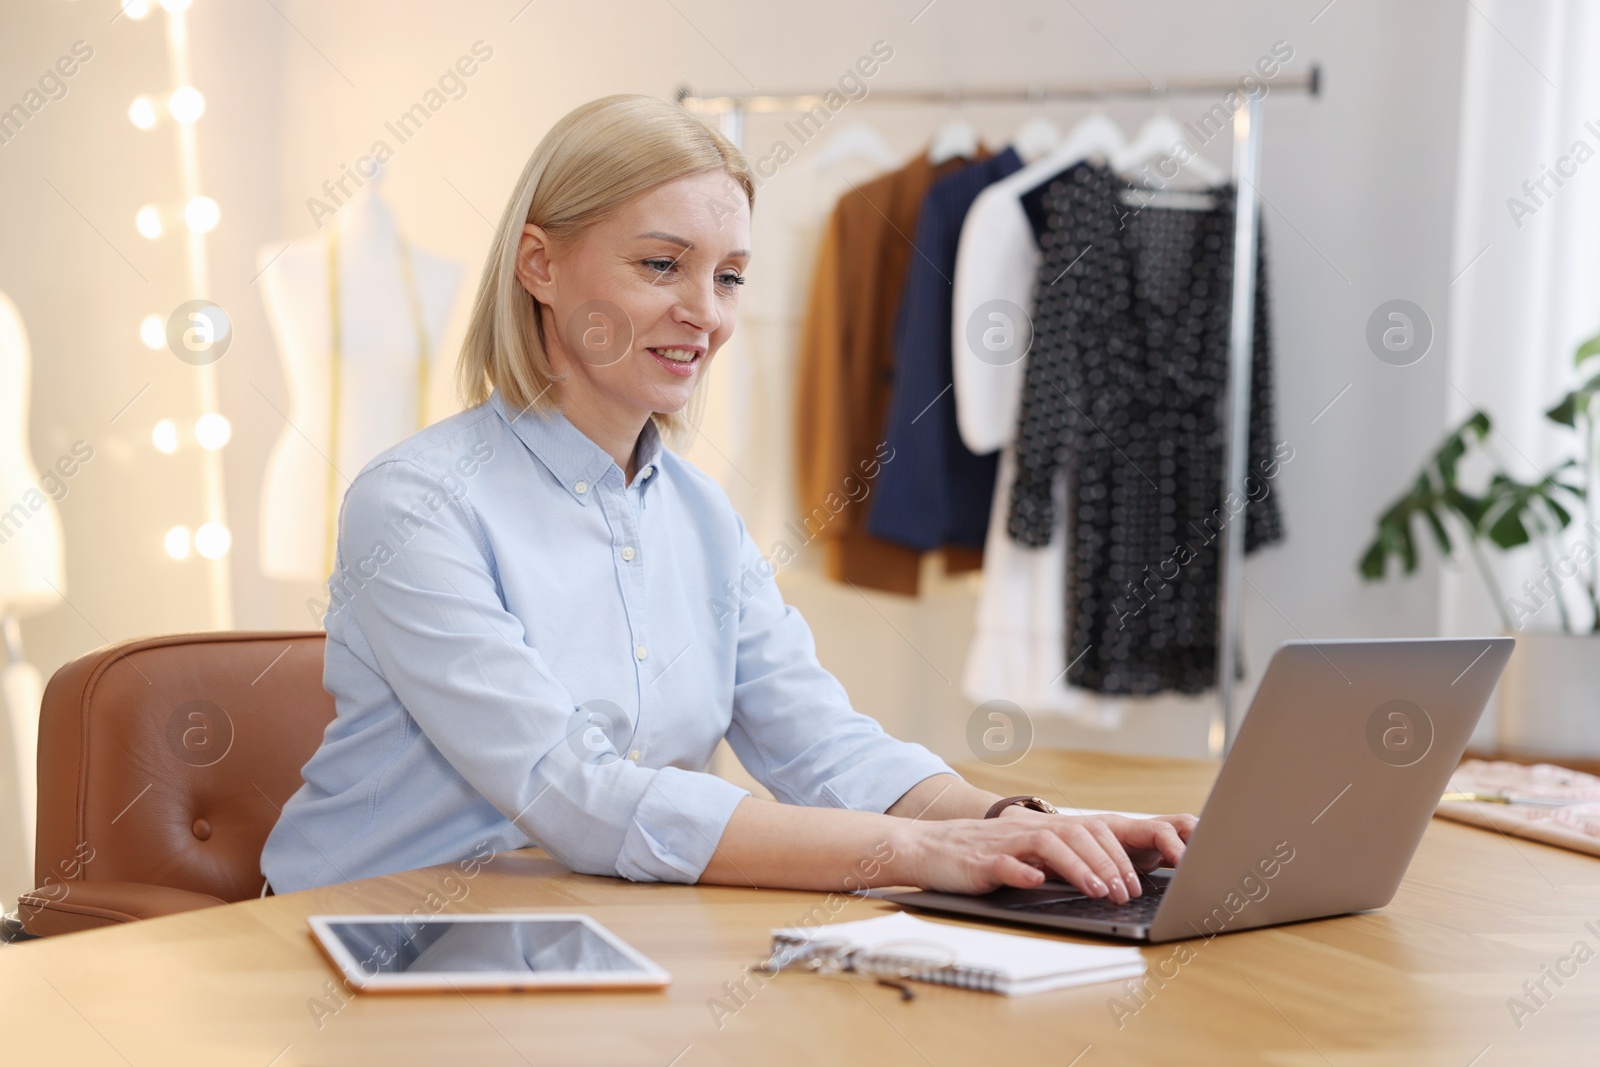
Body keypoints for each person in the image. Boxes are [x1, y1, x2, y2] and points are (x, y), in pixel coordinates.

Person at [259, 94, 1196, 904]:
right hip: (358, 938)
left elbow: (824, 748)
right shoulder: (417, 506)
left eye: (730, 276)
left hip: (582, 928)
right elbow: (577, 795)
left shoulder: (701, 516)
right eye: (661, 265)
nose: (705, 312)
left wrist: (1031, 824)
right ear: (539, 266)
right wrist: (923, 851)